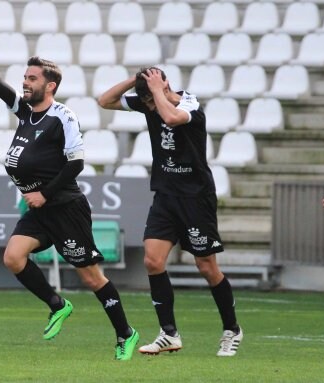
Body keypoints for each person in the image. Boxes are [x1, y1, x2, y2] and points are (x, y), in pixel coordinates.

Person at [0, 32, 139, 361]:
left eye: (32, 78)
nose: (25, 83)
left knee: (91, 276)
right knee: (13, 257)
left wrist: (44, 194)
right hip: (40, 210)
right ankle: (57, 305)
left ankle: (125, 333)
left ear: (50, 85)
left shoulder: (62, 117)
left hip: (65, 208)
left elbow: (77, 163)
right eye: (24, 77)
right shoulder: (26, 113)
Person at [98, 67, 243, 357]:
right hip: (166, 196)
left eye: (151, 98)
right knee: (153, 260)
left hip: (196, 198)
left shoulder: (190, 105)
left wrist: (155, 92)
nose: (148, 107)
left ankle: (232, 329)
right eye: (147, 101)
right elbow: (104, 101)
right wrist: (136, 80)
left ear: (165, 86)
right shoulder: (150, 101)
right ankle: (169, 333)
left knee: (206, 267)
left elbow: (172, 117)